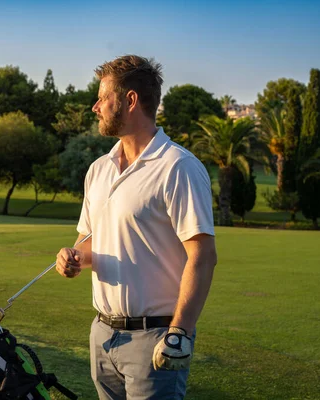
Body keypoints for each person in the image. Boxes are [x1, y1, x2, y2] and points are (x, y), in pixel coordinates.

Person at [55, 55, 217, 400]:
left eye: (103, 98)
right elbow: (89, 243)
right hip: (102, 334)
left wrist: (180, 333)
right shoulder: (98, 169)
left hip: (156, 339)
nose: (95, 107)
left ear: (129, 100)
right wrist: (72, 258)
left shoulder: (178, 167)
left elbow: (202, 257)